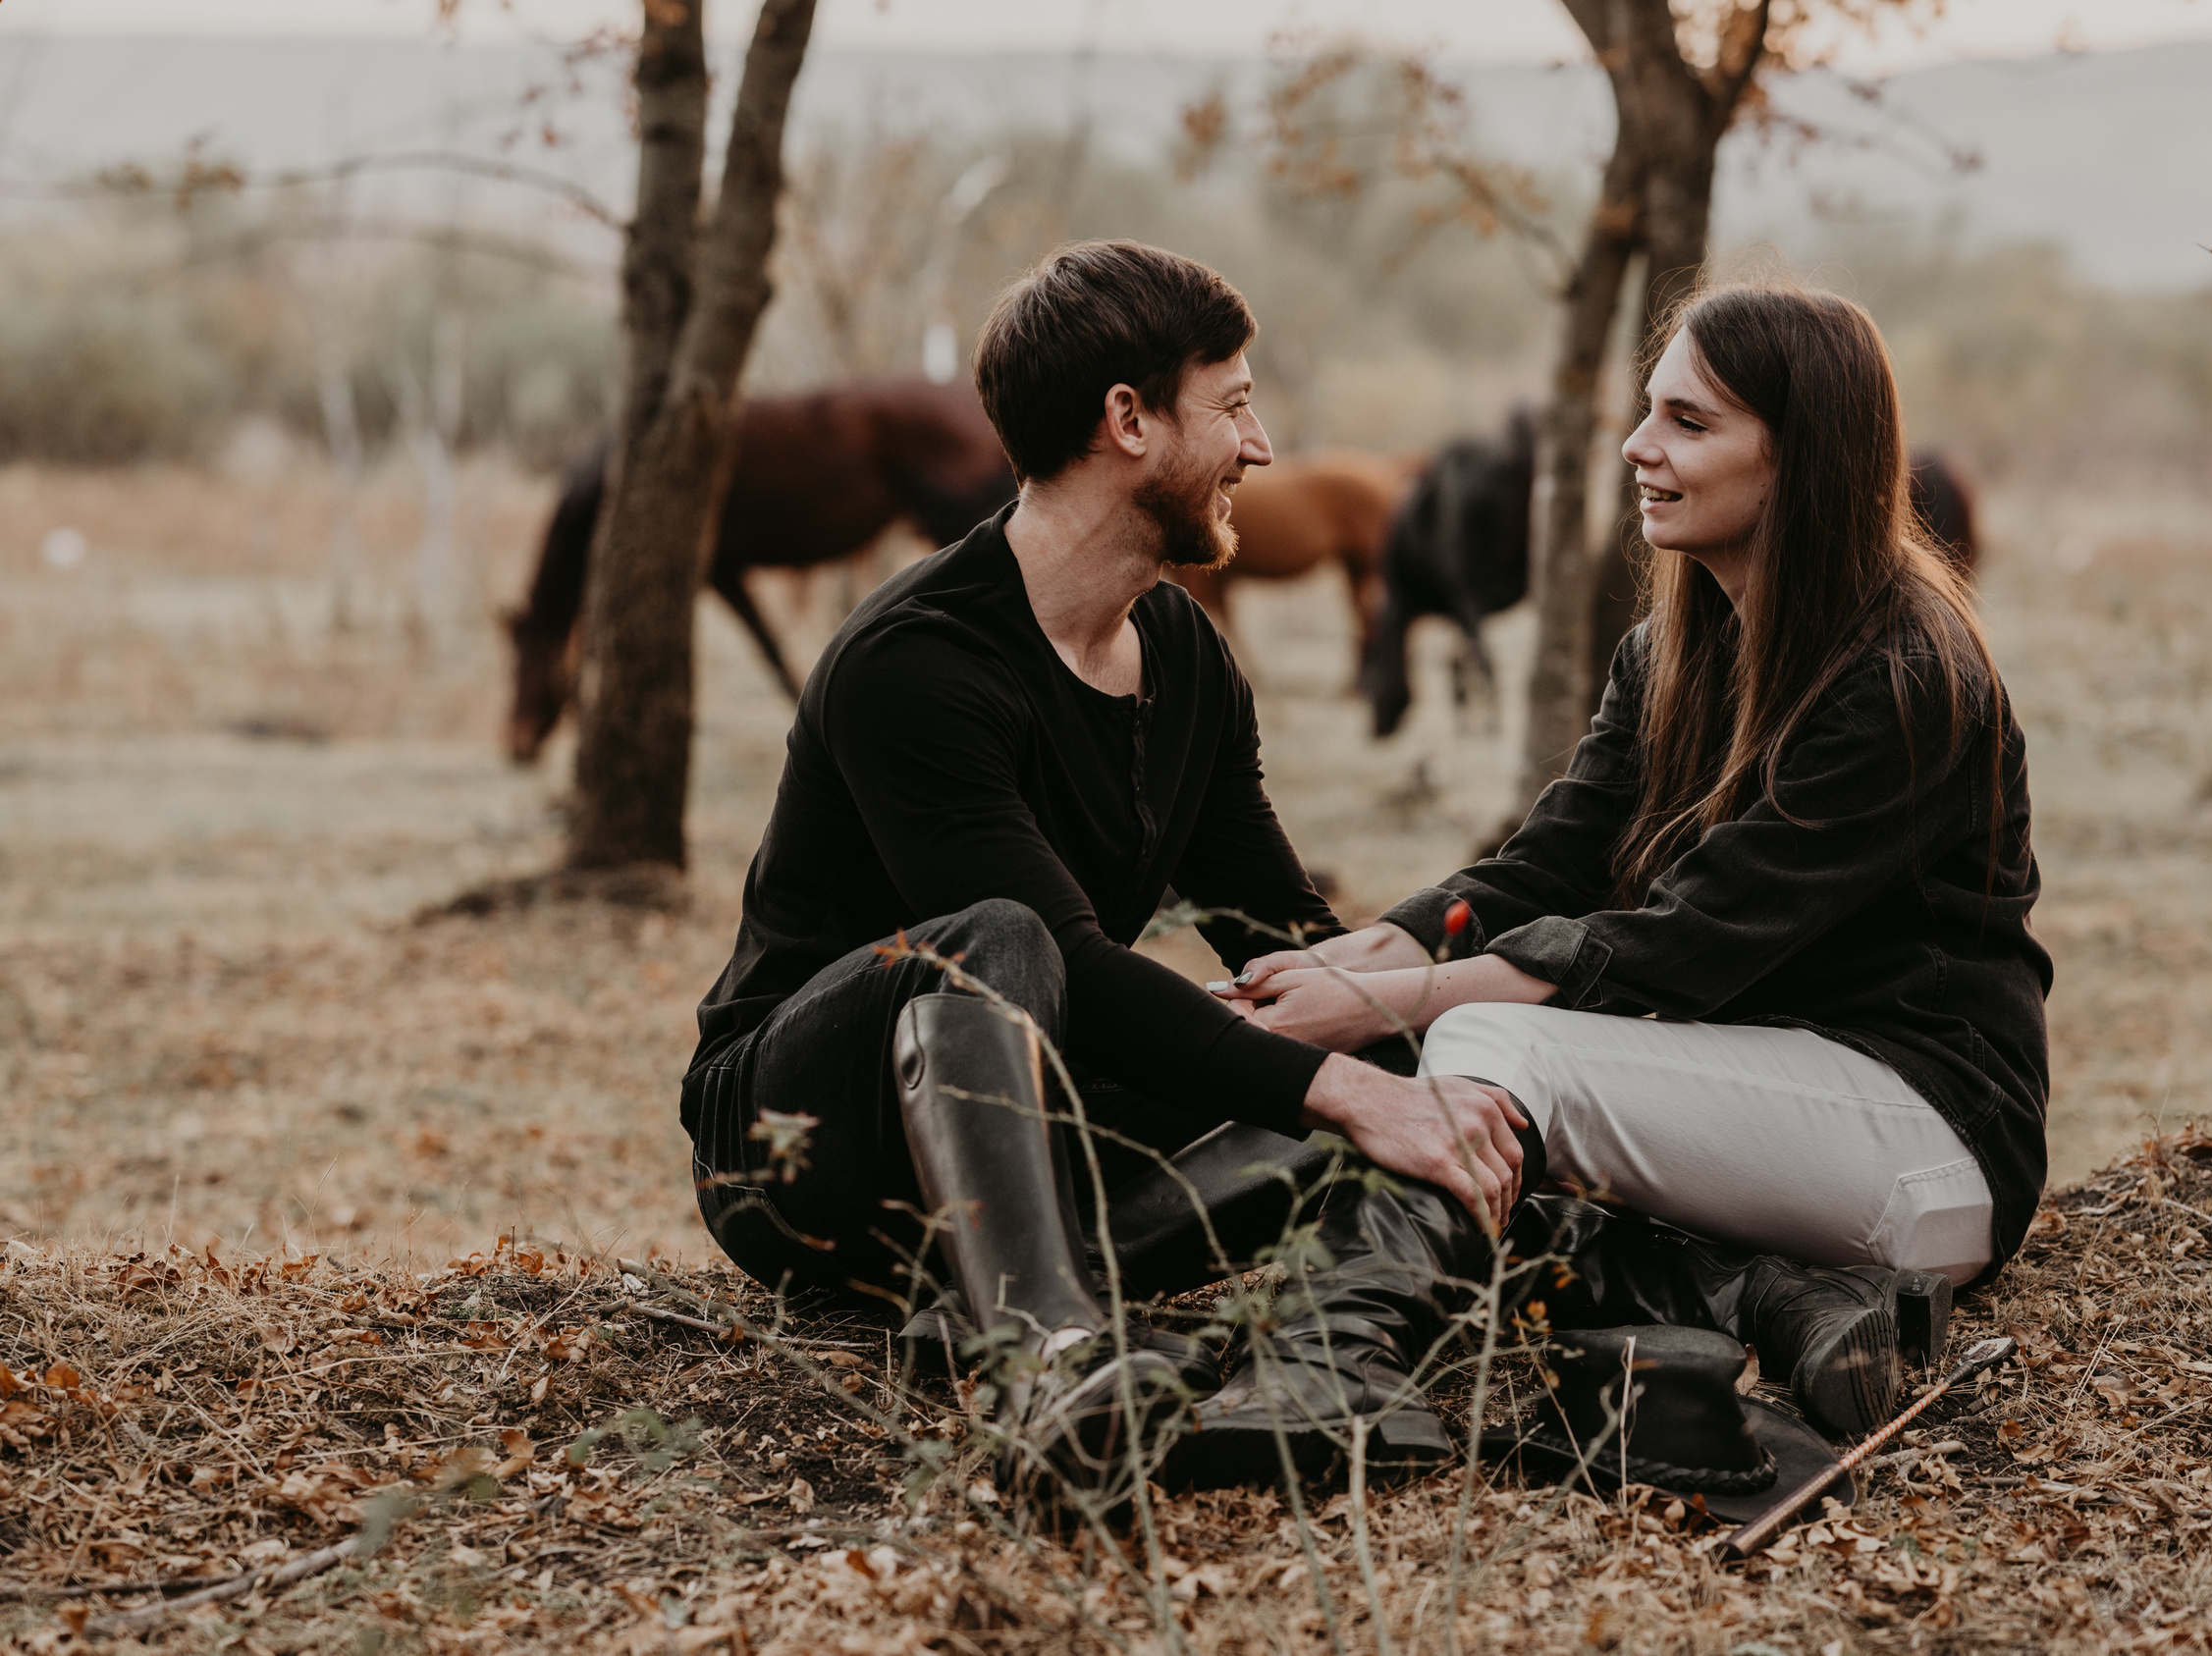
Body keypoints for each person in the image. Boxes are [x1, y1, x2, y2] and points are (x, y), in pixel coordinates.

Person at [677, 240, 1526, 1494]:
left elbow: (1273, 926)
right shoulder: (914, 663)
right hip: (805, 1145)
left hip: (1038, 1123)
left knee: (1375, 1049)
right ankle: (1047, 1364)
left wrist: (1415, 1028)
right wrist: (1340, 1093)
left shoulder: (1181, 656)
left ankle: (1020, 1301)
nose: (1263, 448)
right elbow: (1059, 959)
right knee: (1002, 940)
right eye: (1234, 405)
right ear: (1128, 420)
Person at [1214, 282, 2051, 1443]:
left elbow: (1671, 949)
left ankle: (1324, 1369)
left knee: (1483, 1044)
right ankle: (1767, 1296)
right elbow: (1542, 866)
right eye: (1649, 410)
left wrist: (1378, 1007)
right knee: (1460, 1082)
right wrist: (1333, 969)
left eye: (1689, 423)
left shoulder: (1906, 679)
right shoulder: (1671, 648)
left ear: (1801, 456)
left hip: (1929, 1142)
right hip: (1770, 1112)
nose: (1636, 446)